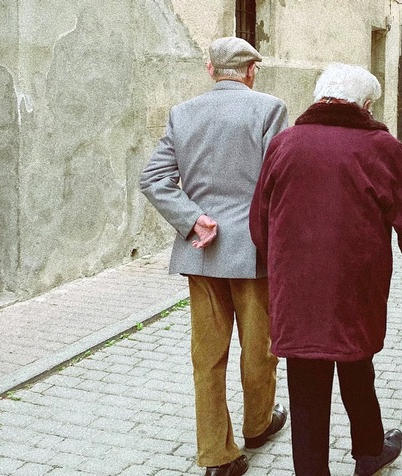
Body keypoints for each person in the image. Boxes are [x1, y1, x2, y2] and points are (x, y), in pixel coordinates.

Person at [249, 63, 402, 476]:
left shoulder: (285, 144)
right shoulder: (380, 147)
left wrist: (281, 264)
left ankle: (321, 467)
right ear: (366, 104)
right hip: (354, 287)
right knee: (357, 364)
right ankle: (370, 450)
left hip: (297, 290)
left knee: (306, 384)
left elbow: (259, 220)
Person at [140, 37, 289, 476]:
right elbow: (278, 182)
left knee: (207, 356)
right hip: (254, 252)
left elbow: (153, 179)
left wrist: (192, 219)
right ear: (251, 71)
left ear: (209, 70)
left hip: (201, 252)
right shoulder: (270, 108)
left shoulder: (182, 113)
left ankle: (217, 456)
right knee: (258, 349)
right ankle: (258, 425)